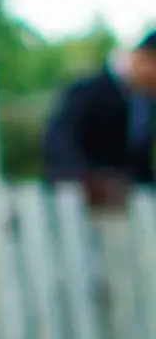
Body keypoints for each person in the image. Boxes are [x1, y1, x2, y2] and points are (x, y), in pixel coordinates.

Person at [44, 30, 156, 207]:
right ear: (144, 58)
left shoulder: (145, 101)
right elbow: (59, 143)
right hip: (77, 208)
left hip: (127, 209)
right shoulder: (87, 90)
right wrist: (87, 179)